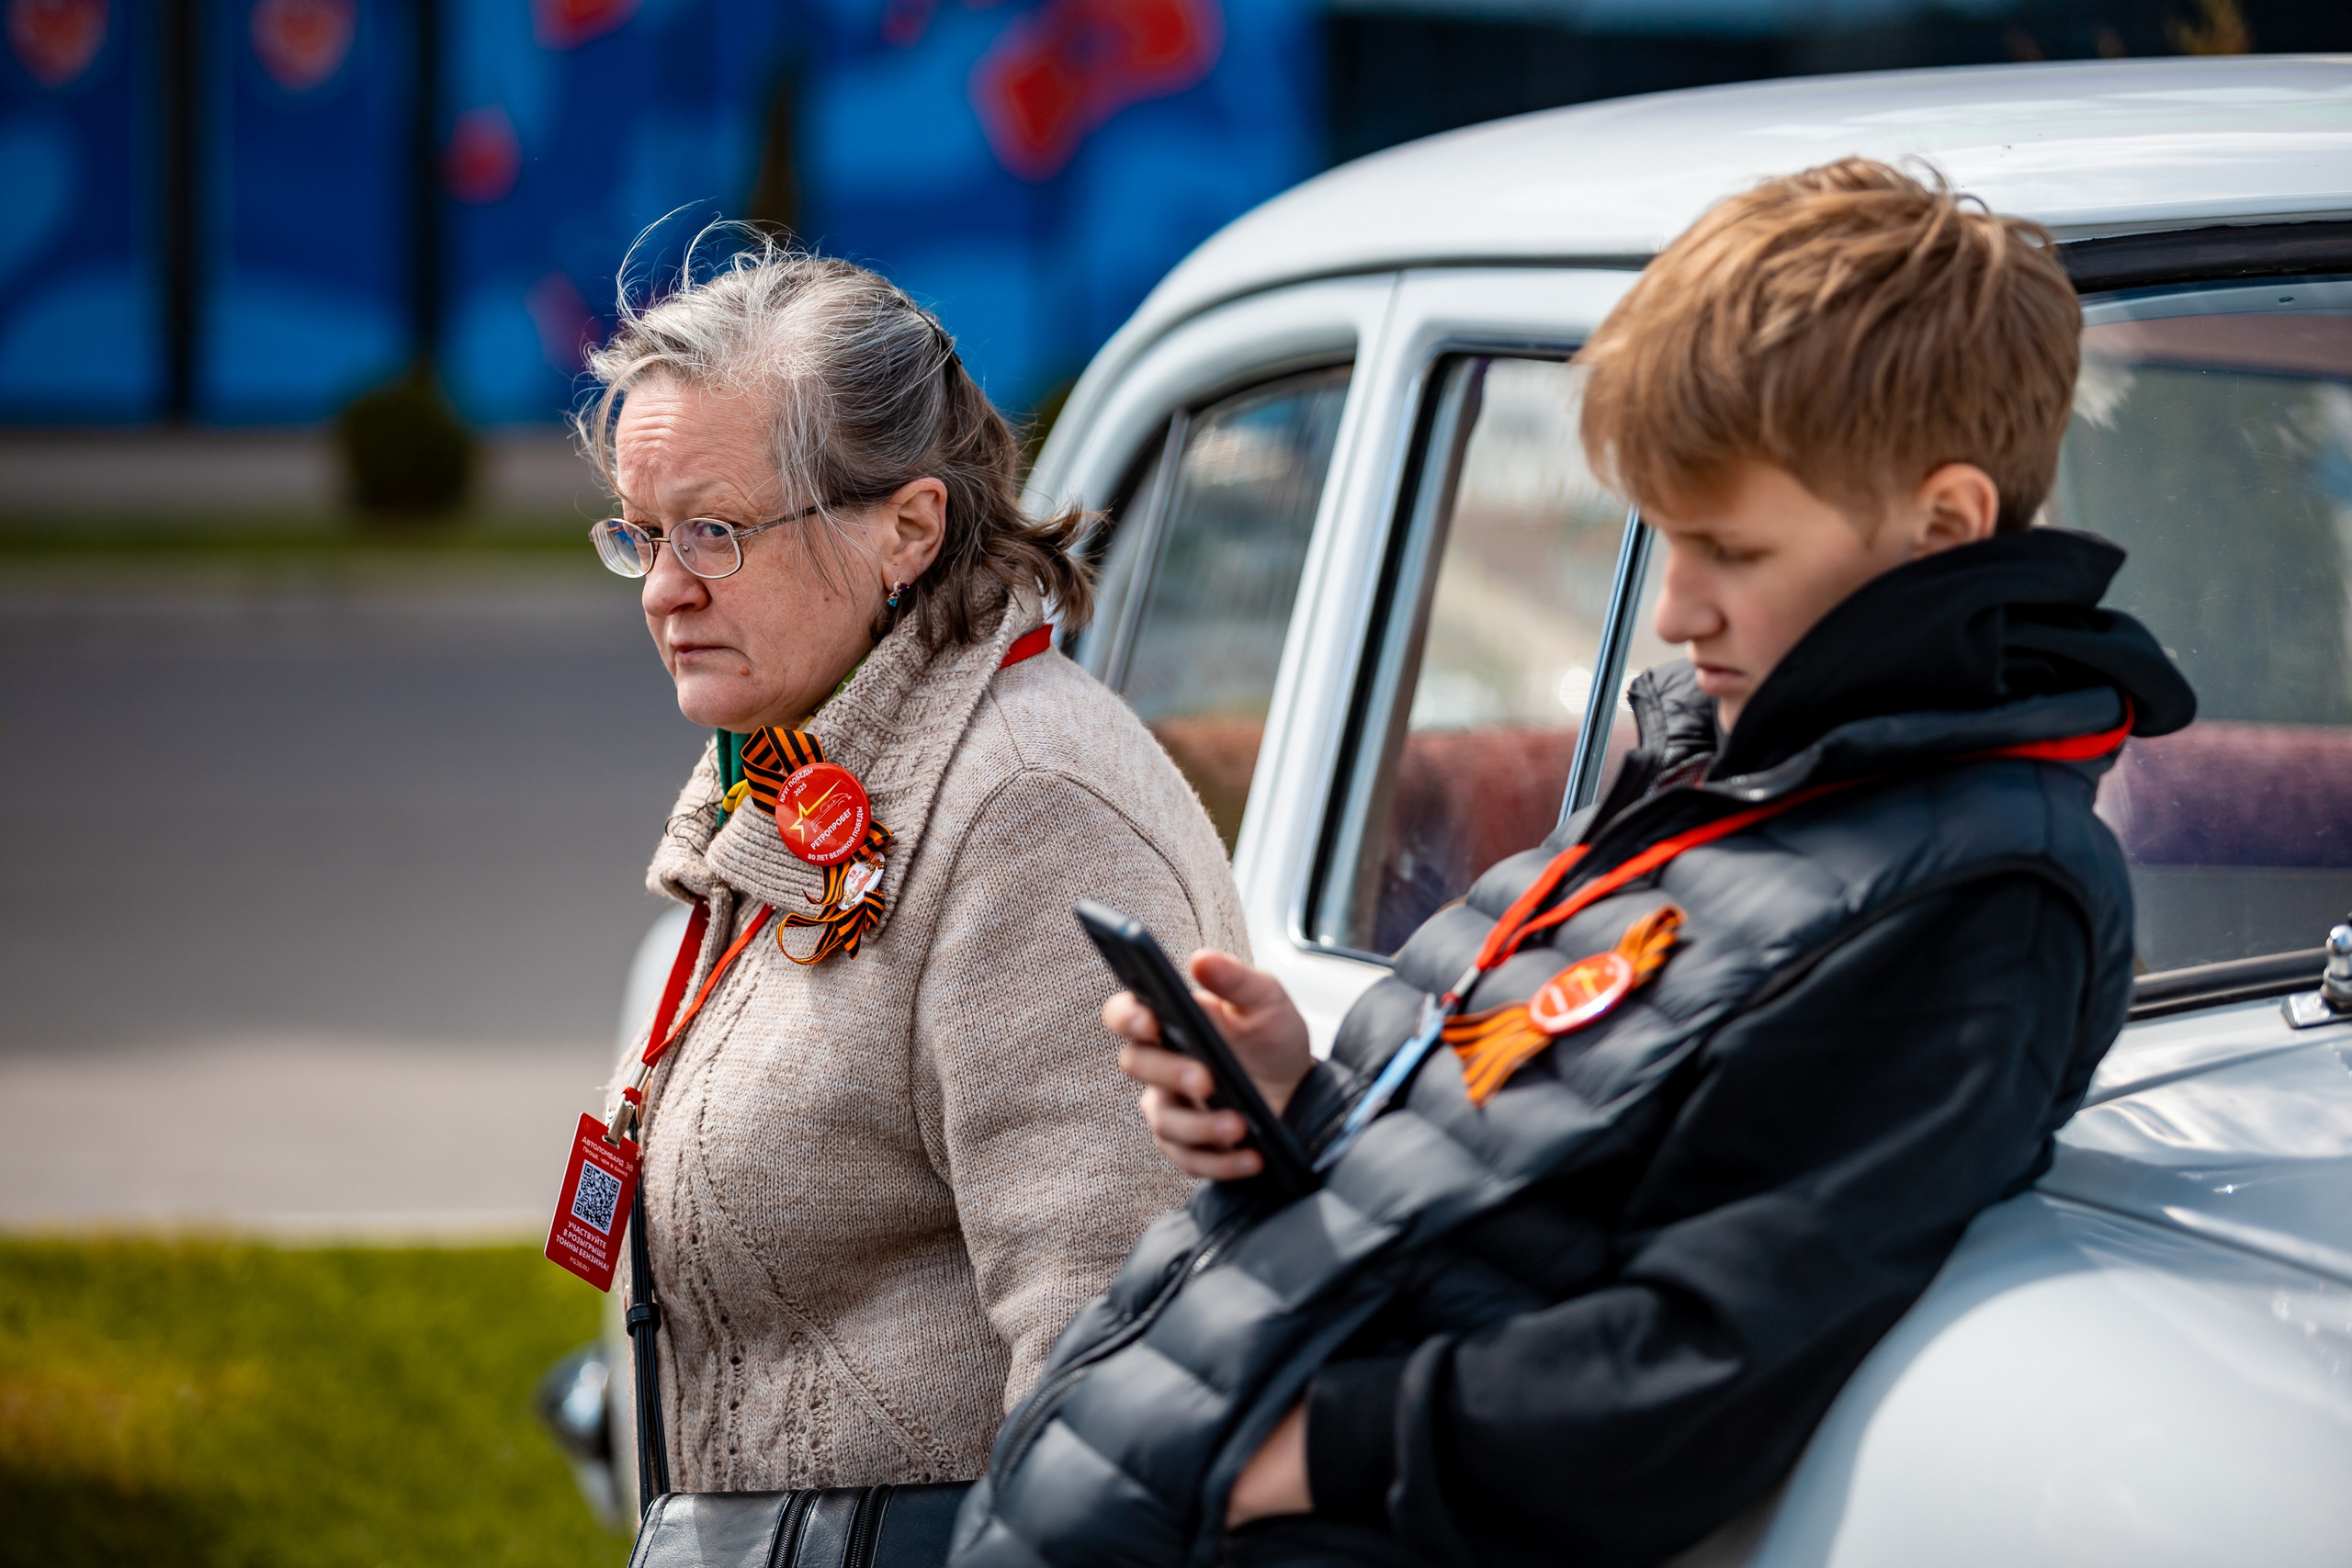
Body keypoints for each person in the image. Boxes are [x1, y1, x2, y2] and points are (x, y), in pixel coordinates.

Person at [953, 161, 2197, 1568]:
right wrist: (1304, 1100)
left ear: (1947, 524)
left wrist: (1311, 1454)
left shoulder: (1981, 899)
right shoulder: (1727, 777)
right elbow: (1523, 1187)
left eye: (1730, 547)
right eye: (1665, 538)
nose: (1675, 607)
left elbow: (1702, 1354)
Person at [582, 238, 1242, 1494]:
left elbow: (1108, 1370)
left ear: (909, 529)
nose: (665, 590)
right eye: (642, 534)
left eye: (714, 532)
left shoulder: (1030, 813)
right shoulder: (788, 758)